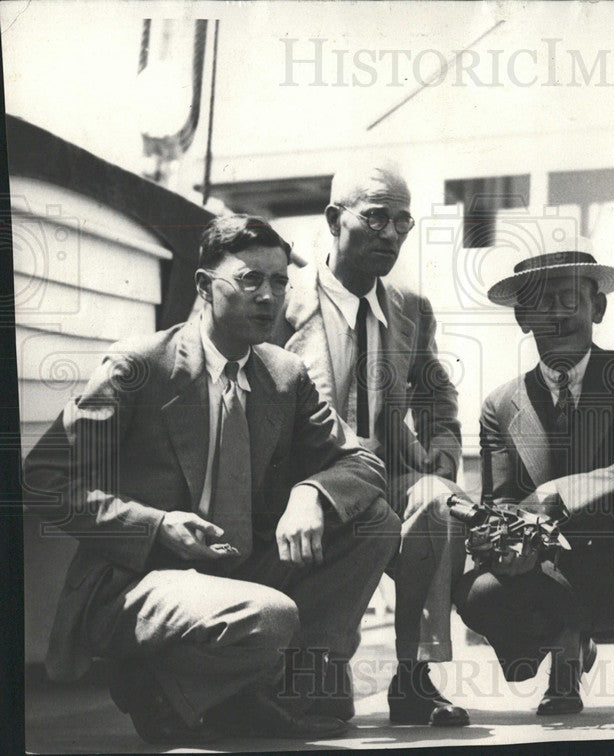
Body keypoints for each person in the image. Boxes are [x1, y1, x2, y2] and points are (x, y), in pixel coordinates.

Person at [21, 215, 401, 744]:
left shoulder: (282, 374)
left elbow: (362, 464)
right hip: (141, 579)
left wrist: (311, 495)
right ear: (204, 286)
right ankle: (161, 691)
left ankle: (264, 694)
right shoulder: (140, 367)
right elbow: (42, 479)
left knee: (374, 524)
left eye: (279, 282)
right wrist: (153, 526)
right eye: (250, 280)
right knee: (270, 616)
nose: (269, 297)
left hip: (236, 569)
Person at [453, 245, 614, 724]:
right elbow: (499, 502)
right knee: (479, 591)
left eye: (569, 299)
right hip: (551, 577)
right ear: (522, 317)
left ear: (597, 307)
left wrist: (565, 492)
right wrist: (504, 544)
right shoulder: (501, 404)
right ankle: (564, 656)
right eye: (541, 302)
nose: (556, 315)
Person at [274, 159, 468, 727]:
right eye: (377, 217)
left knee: (436, 500)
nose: (391, 234)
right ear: (335, 219)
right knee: (326, 707)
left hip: (384, 475)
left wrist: (443, 452)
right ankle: (310, 662)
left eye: (403, 222)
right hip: (303, 486)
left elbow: (436, 395)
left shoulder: (409, 308)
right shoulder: (280, 301)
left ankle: (414, 677)